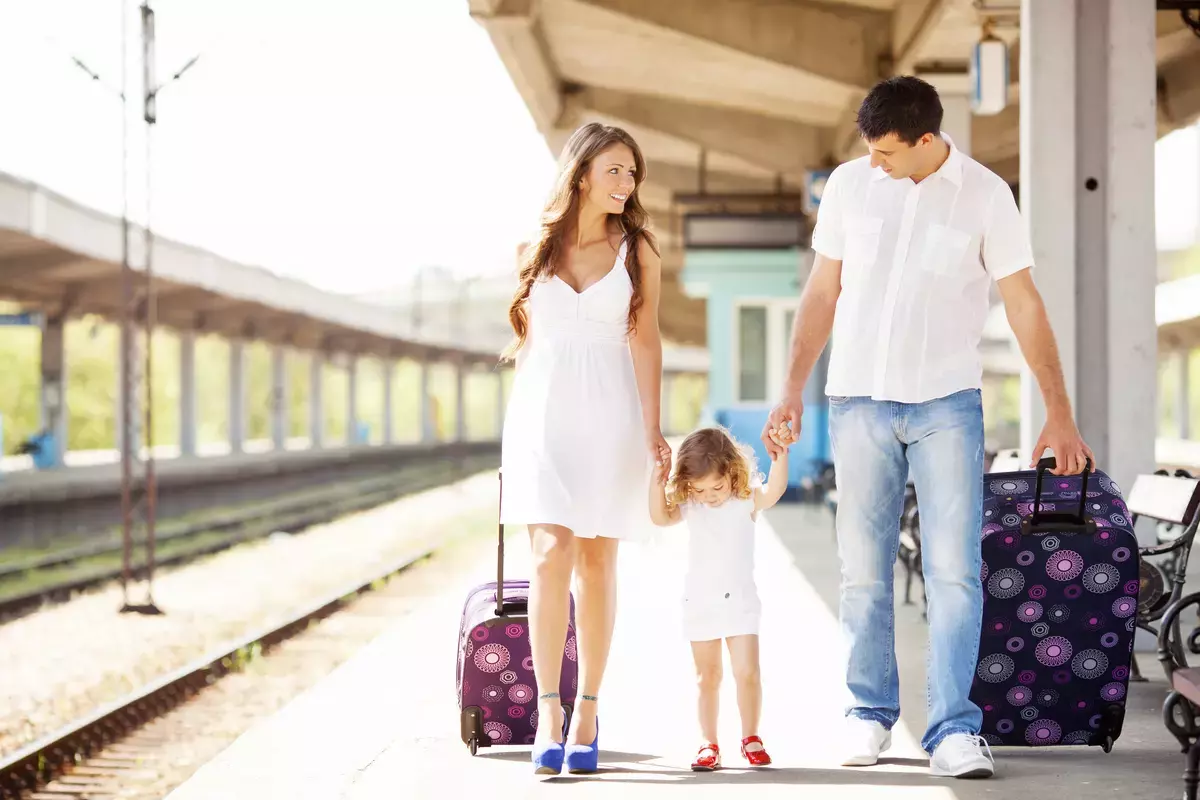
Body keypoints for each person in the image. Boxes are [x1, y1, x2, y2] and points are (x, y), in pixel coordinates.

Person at [762, 76, 1094, 779]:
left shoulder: (985, 196)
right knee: (862, 572)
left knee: (953, 573)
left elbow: (1025, 305)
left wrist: (1058, 412)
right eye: (869, 149)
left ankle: (951, 729)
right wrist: (792, 387)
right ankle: (869, 714)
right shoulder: (851, 187)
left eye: (886, 151)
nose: (873, 162)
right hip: (856, 400)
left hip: (947, 402)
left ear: (926, 139)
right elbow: (822, 291)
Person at [500, 121, 671, 776]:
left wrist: (654, 429)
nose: (627, 183)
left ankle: (588, 712)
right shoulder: (531, 250)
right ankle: (547, 712)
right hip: (542, 417)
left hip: (611, 417)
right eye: (615, 170)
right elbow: (526, 349)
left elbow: (647, 341)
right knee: (549, 556)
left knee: (596, 564)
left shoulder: (638, 251)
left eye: (633, 173)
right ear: (580, 175)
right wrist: (511, 442)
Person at [648, 425, 793, 772]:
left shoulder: (745, 499)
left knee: (748, 672)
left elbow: (774, 491)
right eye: (699, 488)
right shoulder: (690, 505)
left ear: (732, 471)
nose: (710, 495)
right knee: (707, 676)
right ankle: (708, 743)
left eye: (716, 486)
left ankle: (751, 737)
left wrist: (781, 456)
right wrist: (656, 480)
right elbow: (658, 516)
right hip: (700, 601)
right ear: (687, 484)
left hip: (741, 600)